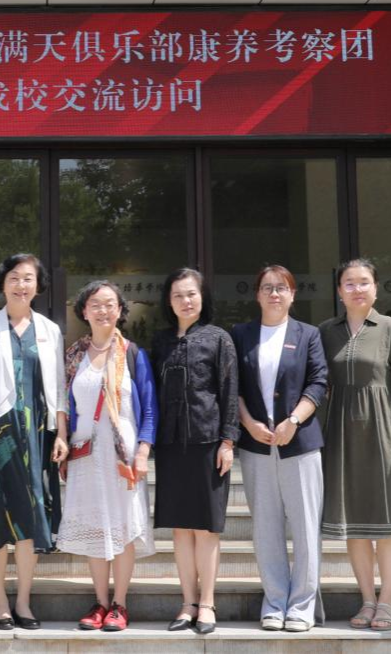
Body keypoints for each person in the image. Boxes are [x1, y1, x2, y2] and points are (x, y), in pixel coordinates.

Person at [0, 254, 67, 630]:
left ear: (38, 285)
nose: (21, 285)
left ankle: (23, 600)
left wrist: (62, 434)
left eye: (28, 278)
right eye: (14, 278)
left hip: (36, 437)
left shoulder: (49, 330)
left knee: (30, 519)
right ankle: (0, 600)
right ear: (3, 284)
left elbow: (58, 388)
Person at [318, 258, 391, 631]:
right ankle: (367, 600)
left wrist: (389, 423)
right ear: (339, 291)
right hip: (341, 433)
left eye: (364, 282)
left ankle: (387, 601)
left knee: (387, 522)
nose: (357, 289)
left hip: (382, 432)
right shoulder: (326, 331)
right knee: (354, 522)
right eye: (349, 283)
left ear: (375, 288)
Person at [231, 264, 328, 633]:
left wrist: (294, 421)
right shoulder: (241, 335)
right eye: (267, 288)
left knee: (305, 527)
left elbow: (318, 382)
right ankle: (274, 602)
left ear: (292, 294)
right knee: (266, 528)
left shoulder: (308, 334)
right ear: (257, 295)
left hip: (299, 444)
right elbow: (233, 386)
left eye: (281, 288)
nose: (274, 294)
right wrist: (248, 423)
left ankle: (302, 605)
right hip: (256, 446)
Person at [59, 280, 158, 632]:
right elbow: (64, 407)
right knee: (94, 527)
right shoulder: (74, 356)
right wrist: (62, 443)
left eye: (109, 304)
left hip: (123, 455)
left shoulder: (133, 354)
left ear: (120, 310)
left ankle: (120, 603)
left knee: (123, 527)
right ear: (84, 311)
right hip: (85, 453)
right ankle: (100, 602)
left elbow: (150, 408)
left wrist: (143, 451)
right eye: (95, 304)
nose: (103, 310)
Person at [149, 267, 239, 635]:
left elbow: (230, 391)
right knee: (181, 529)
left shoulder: (219, 339)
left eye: (191, 294)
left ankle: (207, 604)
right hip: (171, 445)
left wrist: (228, 441)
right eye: (178, 295)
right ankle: (187, 602)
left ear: (203, 297)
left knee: (205, 529)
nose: (185, 301)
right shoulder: (160, 341)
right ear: (168, 302)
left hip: (208, 442)